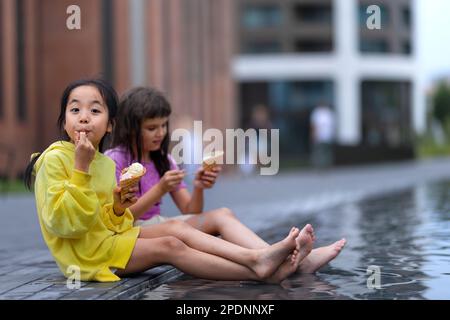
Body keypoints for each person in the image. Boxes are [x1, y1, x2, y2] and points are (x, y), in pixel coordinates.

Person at [24, 78, 314, 283]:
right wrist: (80, 169)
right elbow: (65, 224)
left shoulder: (104, 163)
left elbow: (109, 223)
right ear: (64, 121)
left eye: (95, 110)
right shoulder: (56, 160)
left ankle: (262, 260)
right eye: (75, 110)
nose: (84, 118)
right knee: (171, 246)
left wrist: (116, 208)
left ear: (110, 124)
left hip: (106, 241)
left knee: (176, 227)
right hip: (83, 257)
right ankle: (258, 264)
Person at [106, 87, 347, 274]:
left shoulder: (163, 159)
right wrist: (159, 190)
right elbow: (119, 219)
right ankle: (284, 260)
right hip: (133, 230)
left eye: (163, 126)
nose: (160, 133)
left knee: (222, 214)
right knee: (206, 237)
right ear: (131, 128)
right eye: (151, 128)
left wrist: (199, 186)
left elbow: (191, 211)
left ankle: (276, 257)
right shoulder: (115, 160)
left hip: (161, 224)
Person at [310, 104, 335, 169]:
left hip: (327, 136)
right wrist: (313, 134)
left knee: (327, 152)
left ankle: (326, 165)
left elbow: (332, 125)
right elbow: (314, 125)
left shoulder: (329, 112)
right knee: (319, 151)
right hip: (319, 136)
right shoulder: (317, 112)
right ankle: (318, 165)